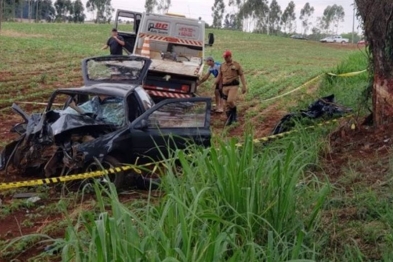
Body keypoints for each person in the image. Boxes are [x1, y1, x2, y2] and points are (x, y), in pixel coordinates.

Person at [214, 50, 247, 126]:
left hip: (233, 86)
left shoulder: (236, 65)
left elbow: (241, 75)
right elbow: (220, 75)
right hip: (225, 86)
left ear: (230, 56)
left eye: (226, 57)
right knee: (226, 105)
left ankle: (234, 114)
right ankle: (230, 119)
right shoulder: (222, 65)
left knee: (230, 100)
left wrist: (244, 86)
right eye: (224, 57)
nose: (225, 59)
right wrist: (216, 82)